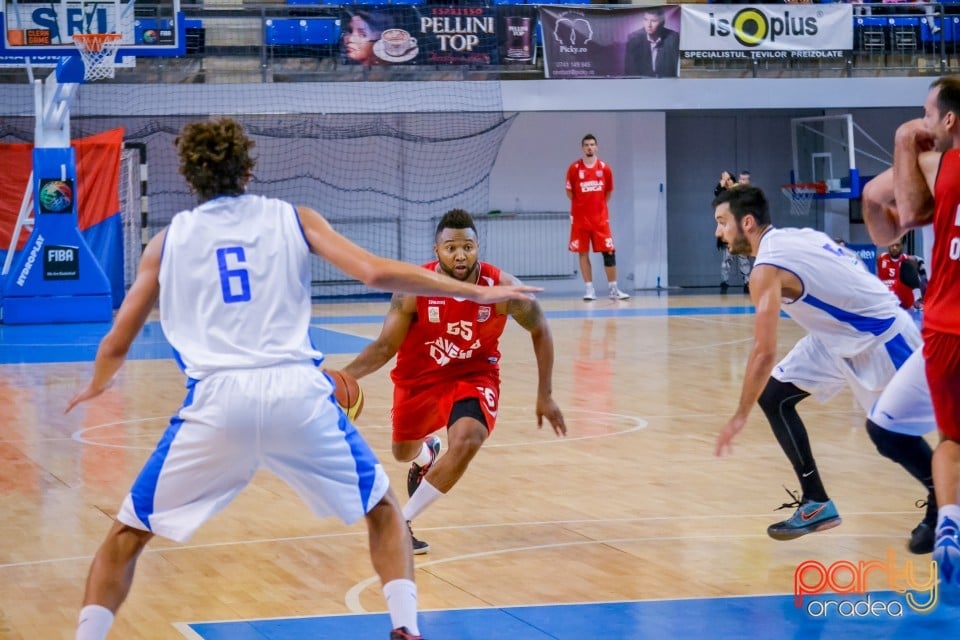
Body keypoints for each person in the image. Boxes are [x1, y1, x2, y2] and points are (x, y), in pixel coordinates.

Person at [65, 119, 542, 640]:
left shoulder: (166, 242)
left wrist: (97, 382)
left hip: (217, 403)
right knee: (384, 512)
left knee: (126, 535)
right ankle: (406, 628)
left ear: (189, 176)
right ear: (249, 170)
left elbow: (118, 338)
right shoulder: (293, 218)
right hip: (298, 395)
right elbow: (375, 272)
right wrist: (473, 293)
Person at [712, 185, 937, 550]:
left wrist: (739, 416)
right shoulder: (796, 236)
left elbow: (763, 352)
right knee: (775, 396)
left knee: (891, 434)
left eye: (723, 223)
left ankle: (942, 500)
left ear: (747, 222)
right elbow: (848, 262)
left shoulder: (765, 271)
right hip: (835, 336)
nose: (718, 232)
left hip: (879, 337)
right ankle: (816, 502)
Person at [342, 208, 567, 554]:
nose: (460, 255)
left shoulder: (501, 289)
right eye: (451, 248)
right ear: (437, 252)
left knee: (467, 439)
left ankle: (401, 523)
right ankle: (426, 454)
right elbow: (386, 346)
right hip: (419, 376)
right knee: (402, 452)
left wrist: (545, 395)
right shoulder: (413, 289)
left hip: (473, 374)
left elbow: (540, 327)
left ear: (478, 247)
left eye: (467, 247)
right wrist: (342, 376)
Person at [862, 75, 960, 585]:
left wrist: (904, 141)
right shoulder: (930, 162)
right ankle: (942, 508)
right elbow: (883, 213)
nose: (921, 123)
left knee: (951, 439)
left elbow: (907, 212)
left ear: (948, 120)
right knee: (886, 426)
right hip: (943, 327)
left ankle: (948, 518)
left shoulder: (935, 161)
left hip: (945, 326)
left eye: (925, 113)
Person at [566, 134, 630, 301]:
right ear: (582, 147)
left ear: (597, 147)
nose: (589, 147)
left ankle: (613, 289)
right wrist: (581, 207)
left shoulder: (604, 168)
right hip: (580, 220)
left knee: (609, 251)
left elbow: (608, 192)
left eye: (592, 144)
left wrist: (597, 207)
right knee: (582, 252)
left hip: (600, 219)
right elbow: (569, 192)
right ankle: (589, 290)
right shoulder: (574, 169)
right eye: (586, 144)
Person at [715, 169, 751, 293]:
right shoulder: (723, 195)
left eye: (730, 179)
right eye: (726, 180)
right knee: (726, 260)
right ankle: (724, 283)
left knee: (743, 259)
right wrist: (723, 180)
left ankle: (747, 282)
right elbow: (717, 193)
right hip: (728, 232)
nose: (728, 181)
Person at [623, 6, 680, 78]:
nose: (648, 25)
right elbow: (629, 71)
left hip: (667, 84)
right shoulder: (634, 39)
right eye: (645, 20)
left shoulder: (673, 38)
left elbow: (677, 69)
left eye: (653, 21)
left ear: (662, 23)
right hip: (642, 84)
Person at [876, 237, 924, 310]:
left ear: (902, 246)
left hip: (901, 299)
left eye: (897, 245)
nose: (895, 248)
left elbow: (916, 282)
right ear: (888, 245)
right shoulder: (880, 258)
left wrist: (917, 298)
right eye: (892, 245)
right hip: (884, 299)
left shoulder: (908, 260)